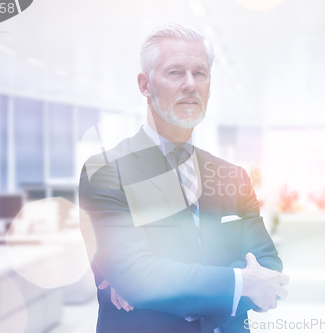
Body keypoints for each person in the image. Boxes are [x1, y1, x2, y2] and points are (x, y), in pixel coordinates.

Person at [79, 23, 289, 333]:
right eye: (175, 72)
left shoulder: (232, 176)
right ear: (145, 85)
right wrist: (241, 282)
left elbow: (269, 266)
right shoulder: (107, 171)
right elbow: (140, 277)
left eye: (200, 73)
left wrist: (163, 288)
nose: (190, 84)